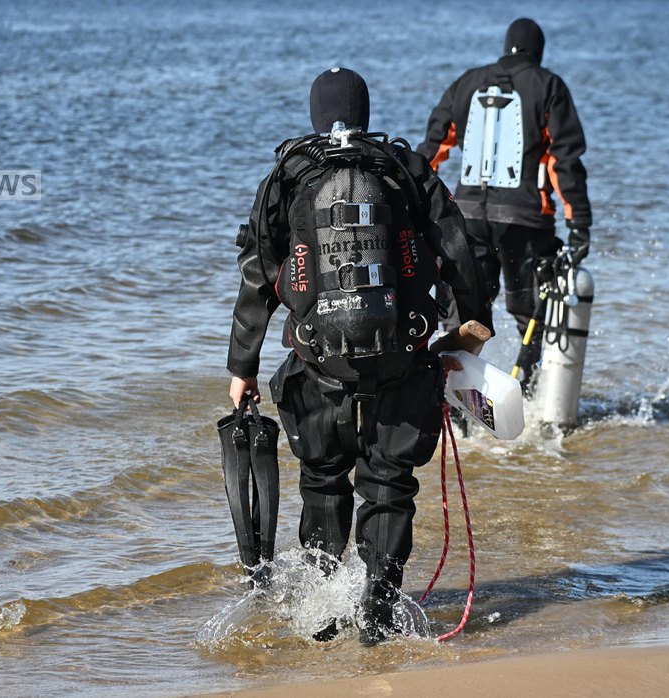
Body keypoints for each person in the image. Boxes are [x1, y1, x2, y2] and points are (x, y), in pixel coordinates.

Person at [226, 67, 493, 645]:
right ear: (366, 113)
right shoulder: (403, 169)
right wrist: (471, 324)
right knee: (390, 481)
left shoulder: (288, 175)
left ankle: (324, 601)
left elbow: (259, 276)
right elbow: (459, 247)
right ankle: (378, 597)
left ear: (315, 116)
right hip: (402, 358)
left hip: (318, 363)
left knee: (323, 478)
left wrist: (242, 368)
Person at [418, 18, 592, 385]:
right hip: (525, 220)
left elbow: (430, 154)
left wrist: (415, 208)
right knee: (530, 314)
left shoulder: (465, 83)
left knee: (465, 316)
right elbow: (565, 162)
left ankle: (457, 397)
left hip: (465, 221)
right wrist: (579, 226)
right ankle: (526, 388)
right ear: (539, 53)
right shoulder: (549, 86)